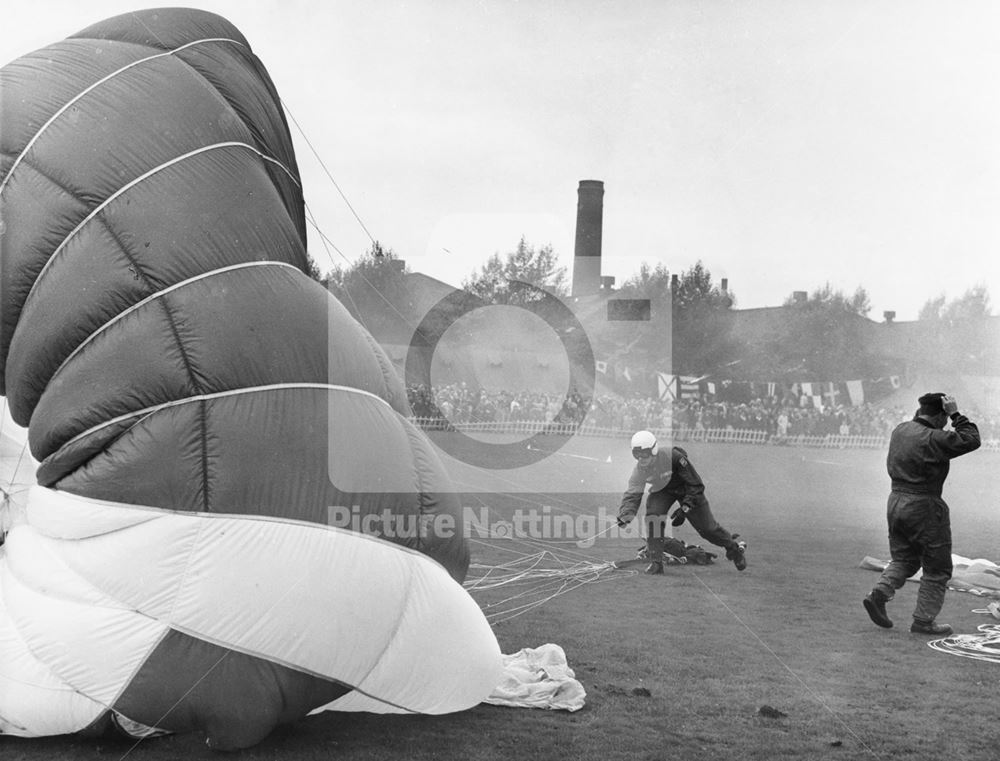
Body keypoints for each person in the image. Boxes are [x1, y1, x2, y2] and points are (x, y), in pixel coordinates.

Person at [863, 393, 981, 635]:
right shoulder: (934, 438)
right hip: (924, 505)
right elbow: (971, 439)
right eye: (945, 418)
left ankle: (879, 594)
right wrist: (956, 414)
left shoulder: (900, 430)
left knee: (904, 559)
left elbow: (920, 422)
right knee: (937, 568)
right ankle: (923, 621)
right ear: (940, 415)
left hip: (896, 501)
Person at [616, 430, 747, 575]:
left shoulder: (675, 457)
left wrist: (685, 508)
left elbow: (696, 485)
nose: (641, 458)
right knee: (654, 516)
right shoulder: (639, 470)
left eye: (644, 454)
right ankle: (656, 563)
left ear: (653, 450)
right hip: (663, 491)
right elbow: (633, 493)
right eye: (636, 454)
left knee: (707, 529)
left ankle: (733, 548)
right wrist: (626, 514)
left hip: (688, 489)